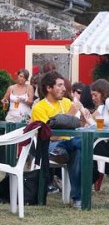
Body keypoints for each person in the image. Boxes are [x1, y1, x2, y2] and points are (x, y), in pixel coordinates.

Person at [31, 70, 84, 209]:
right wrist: (71, 114)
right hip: (49, 146)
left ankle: (78, 198)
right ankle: (78, 198)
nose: (64, 88)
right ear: (49, 88)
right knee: (78, 146)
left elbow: (79, 127)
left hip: (69, 144)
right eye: (59, 85)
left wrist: (84, 116)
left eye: (63, 85)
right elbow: (48, 136)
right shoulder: (39, 108)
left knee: (77, 148)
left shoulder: (66, 102)